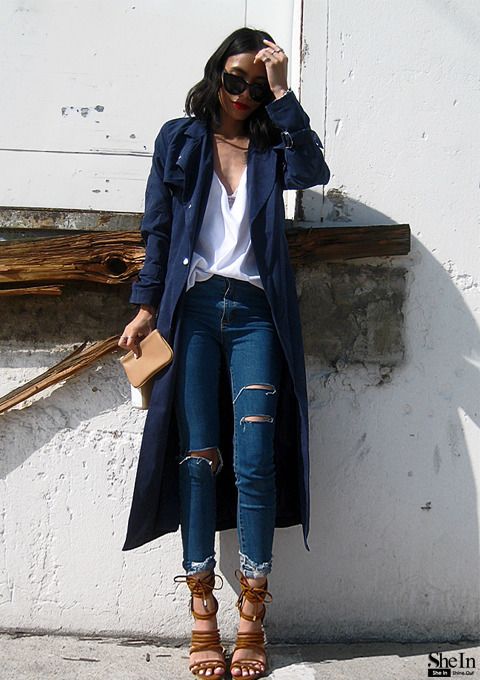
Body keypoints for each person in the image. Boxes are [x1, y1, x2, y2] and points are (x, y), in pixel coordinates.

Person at [118, 26, 330, 680]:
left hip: (258, 314)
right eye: (235, 80)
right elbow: (158, 230)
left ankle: (253, 616)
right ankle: (203, 612)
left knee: (256, 458)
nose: (243, 94)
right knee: (196, 460)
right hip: (194, 313)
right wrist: (145, 306)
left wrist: (284, 94)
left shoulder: (273, 146)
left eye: (257, 87)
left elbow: (315, 170)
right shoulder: (179, 139)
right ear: (216, 75)